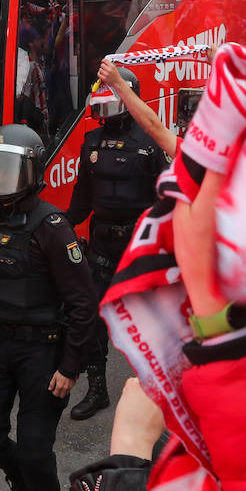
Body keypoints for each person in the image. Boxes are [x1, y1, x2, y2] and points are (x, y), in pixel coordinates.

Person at [0, 124, 96, 491]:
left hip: (41, 352)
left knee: (36, 450)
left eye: (6, 169)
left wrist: (71, 367)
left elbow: (83, 303)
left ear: (31, 173)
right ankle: (29, 482)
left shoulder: (52, 228)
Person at [66, 63, 169, 421]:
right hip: (103, 242)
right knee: (92, 316)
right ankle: (97, 389)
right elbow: (82, 196)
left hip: (140, 243)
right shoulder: (91, 142)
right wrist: (61, 226)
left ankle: (159, 387)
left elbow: (167, 195)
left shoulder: (149, 141)